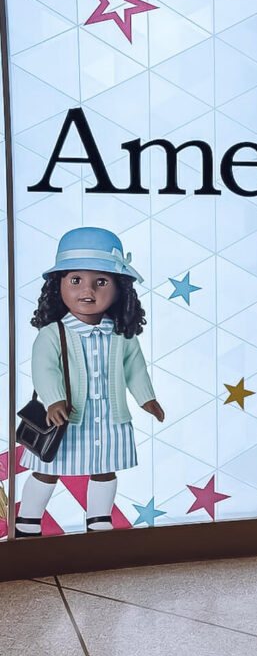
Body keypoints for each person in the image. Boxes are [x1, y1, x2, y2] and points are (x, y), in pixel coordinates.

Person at [15, 227, 164, 537]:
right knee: (47, 469)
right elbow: (44, 369)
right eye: (76, 280)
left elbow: (134, 366)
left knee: (104, 468)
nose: (88, 291)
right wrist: (54, 399)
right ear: (58, 287)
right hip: (67, 419)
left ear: (120, 288)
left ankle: (99, 520)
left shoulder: (121, 333)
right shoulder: (53, 333)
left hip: (108, 418)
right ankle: (27, 520)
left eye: (101, 282)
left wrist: (145, 397)